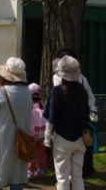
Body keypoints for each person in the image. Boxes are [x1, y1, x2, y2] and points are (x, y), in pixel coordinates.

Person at [0, 57, 32, 190]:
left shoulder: (1, 92)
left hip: (1, 139)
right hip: (21, 141)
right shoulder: (27, 92)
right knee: (16, 178)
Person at [44, 55, 89, 190]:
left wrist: (47, 138)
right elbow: (86, 115)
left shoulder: (57, 92)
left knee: (62, 178)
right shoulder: (83, 91)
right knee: (77, 176)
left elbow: (51, 117)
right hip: (80, 139)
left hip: (62, 140)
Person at [52, 48, 98, 178]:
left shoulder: (57, 78)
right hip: (83, 117)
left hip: (66, 119)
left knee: (65, 150)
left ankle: (70, 176)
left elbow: (57, 98)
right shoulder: (82, 78)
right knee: (83, 144)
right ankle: (83, 173)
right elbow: (91, 98)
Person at [27, 83, 47, 179]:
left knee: (32, 153)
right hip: (43, 134)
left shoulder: (29, 107)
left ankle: (30, 171)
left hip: (32, 135)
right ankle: (42, 170)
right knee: (42, 152)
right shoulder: (44, 106)